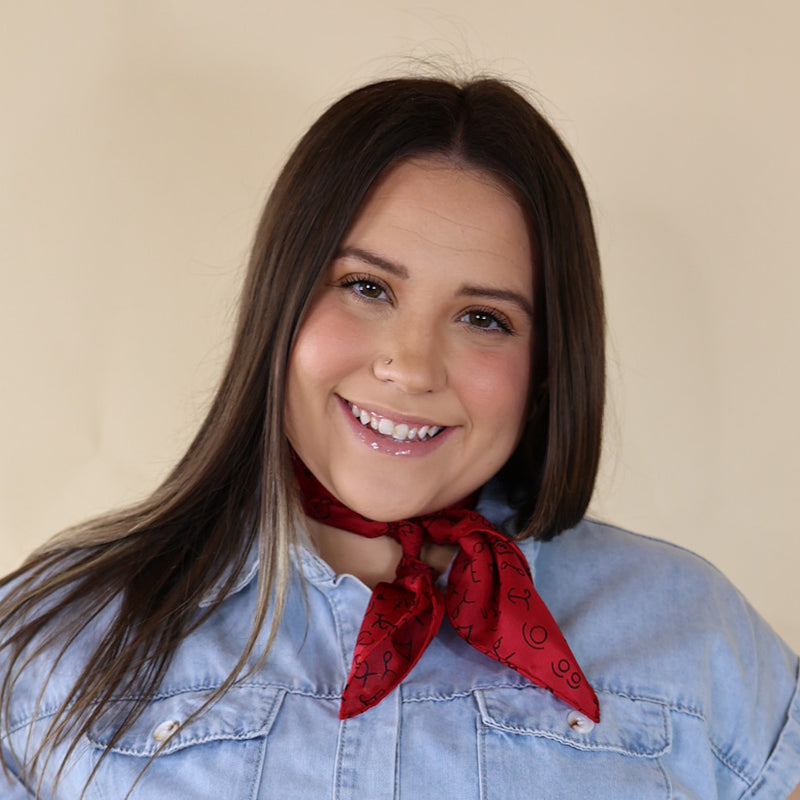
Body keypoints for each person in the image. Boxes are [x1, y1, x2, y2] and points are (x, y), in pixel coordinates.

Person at [1, 76, 798, 799]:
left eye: (484, 318)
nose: (412, 367)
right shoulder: (54, 642)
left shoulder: (700, 645)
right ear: (279, 308)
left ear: (549, 363)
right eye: (365, 287)